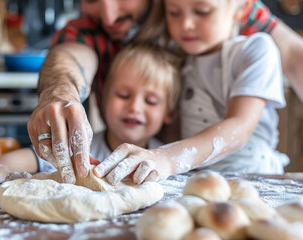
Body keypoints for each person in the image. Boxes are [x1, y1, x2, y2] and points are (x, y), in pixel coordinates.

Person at [28, 0, 303, 184]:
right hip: (188, 175)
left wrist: (166, 159)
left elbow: (292, 55)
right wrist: (59, 92)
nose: (109, 15)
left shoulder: (244, 40)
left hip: (246, 175)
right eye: (90, 0)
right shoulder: (187, 58)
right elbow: (69, 57)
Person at [0, 44, 182, 189]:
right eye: (123, 95)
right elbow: (25, 159)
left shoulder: (162, 160)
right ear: (101, 98)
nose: (135, 107)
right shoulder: (76, 144)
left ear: (169, 112)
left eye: (151, 101)